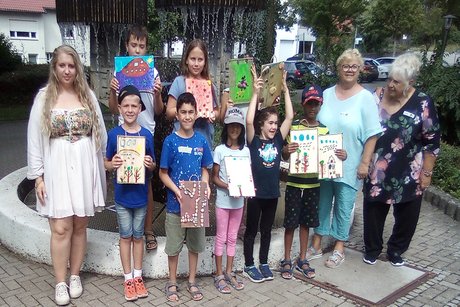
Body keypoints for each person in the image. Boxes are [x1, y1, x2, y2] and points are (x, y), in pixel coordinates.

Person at [27, 45, 107, 306]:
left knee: (80, 224)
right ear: (55, 67)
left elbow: (101, 134)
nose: (67, 70)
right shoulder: (44, 98)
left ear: (77, 68)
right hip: (57, 167)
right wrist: (38, 176)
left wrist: (102, 164)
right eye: (62, 65)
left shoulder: (87, 96)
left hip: (84, 166)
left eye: (71, 66)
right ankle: (60, 281)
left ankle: (75, 275)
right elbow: (34, 139)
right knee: (61, 227)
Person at [362, 53, 440, 266]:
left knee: (407, 214)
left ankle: (396, 250)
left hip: (409, 171)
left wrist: (426, 173)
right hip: (377, 168)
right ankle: (372, 249)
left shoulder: (422, 102)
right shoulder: (377, 96)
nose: (390, 85)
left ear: (410, 82)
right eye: (389, 79)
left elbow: (432, 142)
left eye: (396, 81)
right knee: (373, 210)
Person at [308, 49, 382, 268]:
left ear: (360, 70)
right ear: (338, 68)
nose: (349, 70)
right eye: (345, 66)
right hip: (324, 162)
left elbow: (372, 133)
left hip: (349, 163)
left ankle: (339, 246)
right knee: (321, 202)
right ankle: (317, 243)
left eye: (354, 66)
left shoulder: (366, 98)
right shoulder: (327, 94)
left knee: (343, 204)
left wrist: (365, 162)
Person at [280, 84, 347, 279]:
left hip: (313, 185)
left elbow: (330, 157)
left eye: (316, 104)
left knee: (305, 223)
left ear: (320, 105)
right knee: (290, 223)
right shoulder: (294, 127)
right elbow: (284, 154)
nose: (312, 108)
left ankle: (302, 258)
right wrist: (286, 151)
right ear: (303, 104)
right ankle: (286, 258)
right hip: (294, 183)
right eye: (309, 103)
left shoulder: (325, 131)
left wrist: (340, 155)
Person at [108, 24, 163, 251]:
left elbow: (158, 111)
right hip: (124, 134)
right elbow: (113, 109)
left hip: (146, 132)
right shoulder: (118, 73)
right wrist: (112, 91)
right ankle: (125, 230)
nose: (138, 50)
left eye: (142, 46)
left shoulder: (153, 72)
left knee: (146, 182)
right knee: (124, 178)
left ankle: (147, 230)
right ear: (127, 46)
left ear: (146, 47)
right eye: (134, 45)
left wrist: (158, 93)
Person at [159, 92, 213, 302]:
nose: (188, 116)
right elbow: (163, 173)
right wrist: (177, 191)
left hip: (196, 203)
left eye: (191, 112)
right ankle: (172, 281)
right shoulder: (170, 142)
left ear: (196, 113)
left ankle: (191, 280)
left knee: (194, 245)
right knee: (173, 247)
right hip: (176, 204)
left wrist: (205, 185)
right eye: (183, 112)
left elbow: (205, 169)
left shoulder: (201, 141)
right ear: (177, 115)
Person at [243, 65, 294, 282]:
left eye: (275, 123)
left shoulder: (278, 140)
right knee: (251, 230)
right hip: (255, 194)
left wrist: (285, 90)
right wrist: (255, 93)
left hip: (272, 193)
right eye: (270, 123)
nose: (274, 126)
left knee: (266, 230)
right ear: (261, 125)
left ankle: (263, 262)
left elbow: (290, 117)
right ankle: (248, 264)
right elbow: (247, 120)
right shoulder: (254, 141)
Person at [104, 85, 156, 301]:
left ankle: (138, 276)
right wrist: (112, 164)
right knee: (125, 237)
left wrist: (149, 163)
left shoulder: (146, 135)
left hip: (141, 196)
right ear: (119, 107)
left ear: (141, 108)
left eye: (134, 105)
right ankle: (128, 279)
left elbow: (153, 165)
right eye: (126, 105)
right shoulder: (114, 134)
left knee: (138, 237)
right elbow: (105, 163)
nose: (130, 109)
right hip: (123, 197)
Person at [212, 107, 249, 293]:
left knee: (233, 238)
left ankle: (229, 271)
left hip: (239, 202)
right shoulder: (219, 150)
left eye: (238, 126)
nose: (234, 129)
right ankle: (218, 274)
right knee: (221, 237)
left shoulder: (246, 151)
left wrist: (247, 187)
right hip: (223, 201)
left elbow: (247, 177)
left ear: (242, 129)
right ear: (226, 127)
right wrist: (229, 186)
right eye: (231, 125)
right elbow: (215, 178)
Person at [166, 39, 220, 149]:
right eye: (192, 59)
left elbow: (217, 111)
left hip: (204, 140)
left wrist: (213, 114)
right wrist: (186, 112)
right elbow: (169, 112)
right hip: (180, 141)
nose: (196, 64)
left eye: (200, 60)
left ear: (205, 62)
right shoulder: (179, 82)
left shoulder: (210, 85)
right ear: (186, 60)